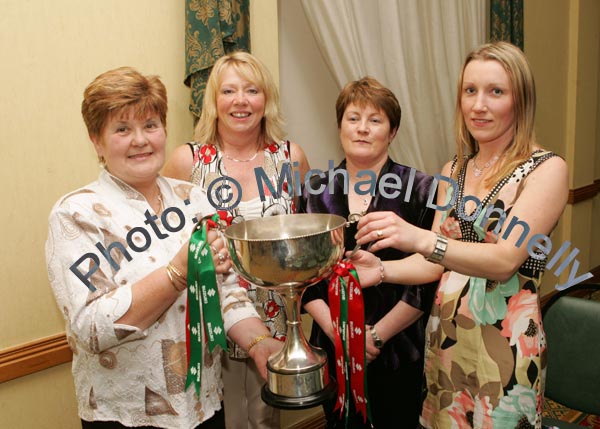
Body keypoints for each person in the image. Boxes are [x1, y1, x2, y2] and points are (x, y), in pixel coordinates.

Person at [45, 66, 283, 429]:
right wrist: (176, 273)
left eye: (150, 125)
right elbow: (90, 328)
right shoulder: (75, 215)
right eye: (122, 129)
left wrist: (261, 344)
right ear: (96, 140)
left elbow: (226, 290)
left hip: (204, 403)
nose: (140, 139)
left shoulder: (193, 199)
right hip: (129, 416)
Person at [351, 42, 569, 428]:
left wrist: (418, 238)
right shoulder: (454, 169)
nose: (478, 105)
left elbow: (504, 261)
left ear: (521, 100)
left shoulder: (546, 169)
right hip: (446, 342)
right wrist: (382, 270)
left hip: (506, 345)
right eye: (470, 91)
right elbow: (434, 263)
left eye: (495, 91)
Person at [163, 51, 310, 429]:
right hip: (211, 317)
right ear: (213, 101)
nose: (240, 101)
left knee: (266, 419)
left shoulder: (290, 158)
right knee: (221, 417)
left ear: (267, 100)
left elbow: (307, 238)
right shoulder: (187, 162)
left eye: (252, 90)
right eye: (228, 91)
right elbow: (167, 241)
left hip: (278, 317)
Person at [298, 76, 437, 428]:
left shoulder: (421, 189)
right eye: (353, 118)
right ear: (340, 126)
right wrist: (339, 334)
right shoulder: (315, 190)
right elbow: (305, 274)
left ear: (391, 133)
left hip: (398, 346)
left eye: (375, 120)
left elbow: (428, 274)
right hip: (333, 344)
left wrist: (373, 337)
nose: (362, 129)